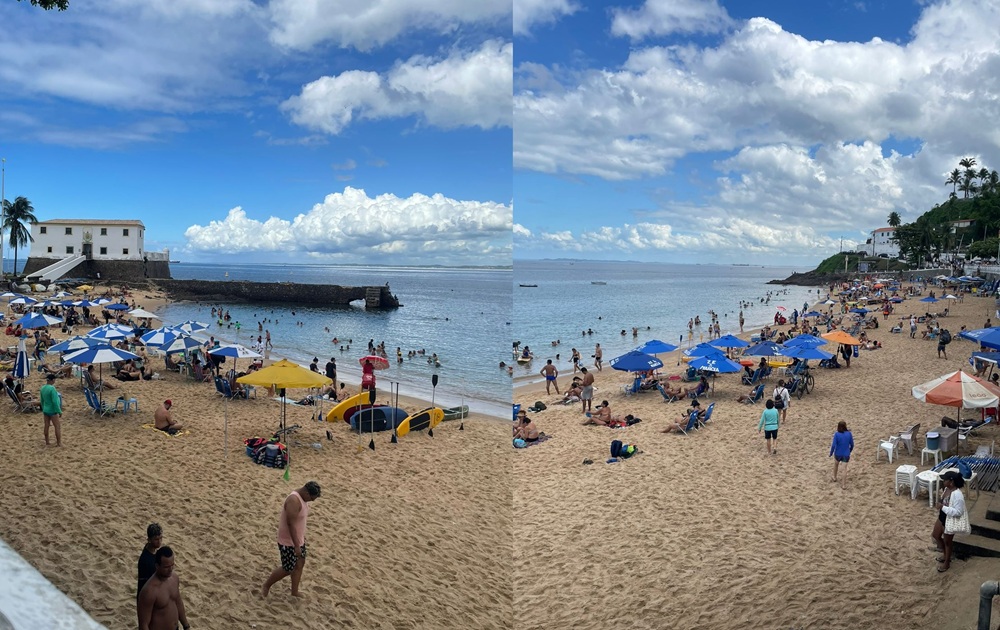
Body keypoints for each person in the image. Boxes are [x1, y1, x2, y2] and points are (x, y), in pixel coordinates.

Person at [260, 480, 322, 598]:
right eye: (312, 498)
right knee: (288, 568)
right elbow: (290, 524)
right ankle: (267, 585)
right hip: (289, 542)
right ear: (306, 493)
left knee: (300, 564)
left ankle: (294, 591)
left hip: (298, 539)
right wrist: (297, 546)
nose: (312, 501)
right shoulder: (293, 501)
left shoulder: (303, 498)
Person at [137, 546, 190, 630]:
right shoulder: (149, 591)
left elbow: (178, 602)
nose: (170, 569)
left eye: (172, 565)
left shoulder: (174, 578)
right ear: (157, 566)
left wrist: (186, 625)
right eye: (166, 567)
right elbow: (143, 624)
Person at [932, 471, 967, 573]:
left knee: (948, 542)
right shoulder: (947, 489)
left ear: (951, 482)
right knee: (936, 535)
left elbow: (958, 512)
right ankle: (945, 554)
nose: (943, 481)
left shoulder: (958, 495)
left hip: (950, 519)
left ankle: (947, 562)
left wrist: (943, 507)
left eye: (945, 480)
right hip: (942, 516)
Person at [137, 523, 162, 602]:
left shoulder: (154, 551)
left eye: (161, 538)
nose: (159, 542)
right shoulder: (145, 560)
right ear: (149, 540)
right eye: (156, 539)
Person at [829, 421, 854, 489]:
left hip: (838, 453)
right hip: (846, 454)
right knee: (844, 469)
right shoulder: (849, 434)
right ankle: (843, 485)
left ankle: (834, 477)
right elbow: (852, 444)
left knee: (836, 464)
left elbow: (833, 445)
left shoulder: (837, 434)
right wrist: (849, 450)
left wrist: (831, 453)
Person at [39, 373, 62, 446]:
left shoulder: (42, 388)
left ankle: (47, 442)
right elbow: (55, 402)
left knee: (46, 425)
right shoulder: (52, 389)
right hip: (52, 410)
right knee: (57, 426)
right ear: (52, 380)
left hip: (46, 409)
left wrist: (43, 408)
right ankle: (59, 443)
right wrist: (59, 411)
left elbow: (42, 400)